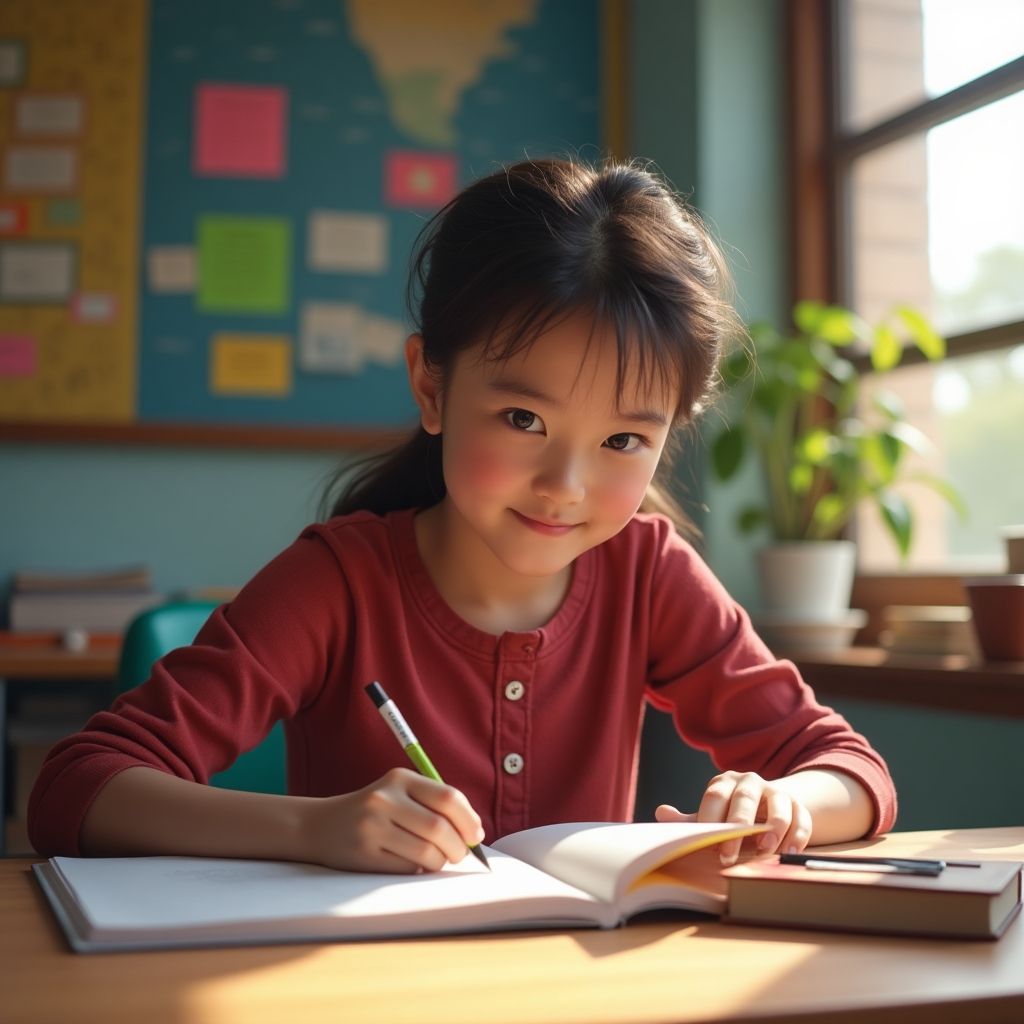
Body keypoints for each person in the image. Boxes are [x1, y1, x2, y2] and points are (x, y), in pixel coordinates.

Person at [29, 159, 896, 874]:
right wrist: (312, 829)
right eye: (524, 420)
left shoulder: (648, 569)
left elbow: (856, 774)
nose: (565, 485)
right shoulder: (340, 582)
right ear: (431, 387)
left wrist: (787, 802)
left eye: (625, 439)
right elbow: (77, 787)